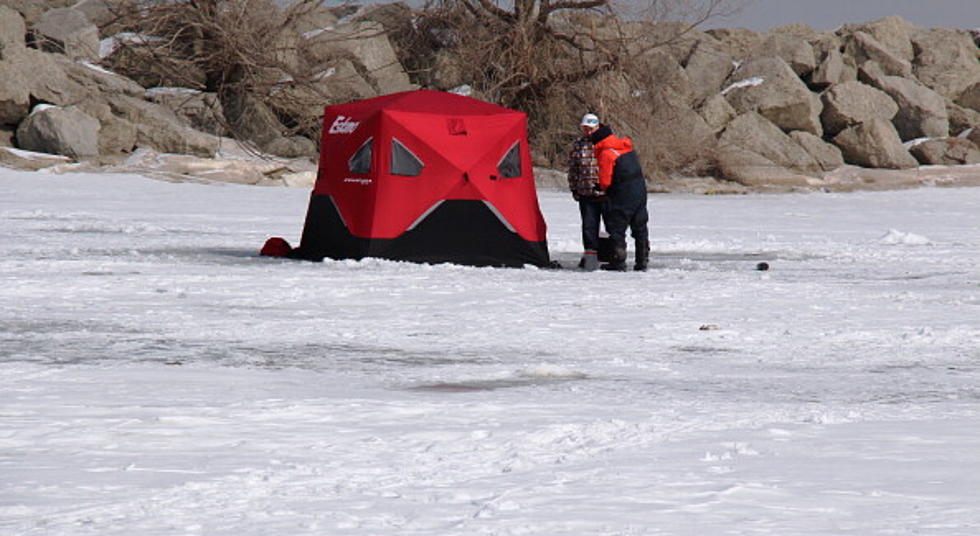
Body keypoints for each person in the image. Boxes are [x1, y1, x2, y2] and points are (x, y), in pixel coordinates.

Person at [588, 119, 650, 271]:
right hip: (640, 190)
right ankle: (642, 261)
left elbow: (605, 180)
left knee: (617, 226)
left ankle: (618, 261)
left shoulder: (606, 153)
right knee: (640, 225)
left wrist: (600, 187)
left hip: (623, 192)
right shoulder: (626, 147)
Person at [567, 113, 610, 271]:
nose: (588, 132)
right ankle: (591, 259)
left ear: (597, 127)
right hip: (585, 193)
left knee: (611, 226)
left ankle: (612, 256)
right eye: (585, 129)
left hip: (605, 194)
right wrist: (574, 188)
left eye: (591, 129)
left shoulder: (607, 143)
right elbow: (573, 169)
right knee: (589, 226)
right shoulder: (579, 144)